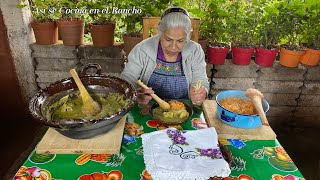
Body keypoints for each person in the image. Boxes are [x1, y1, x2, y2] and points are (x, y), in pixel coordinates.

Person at [120, 7, 209, 107]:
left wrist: (201, 93)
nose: (173, 46)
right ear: (160, 33)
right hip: (146, 108)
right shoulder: (142, 50)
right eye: (168, 39)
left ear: (187, 37)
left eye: (180, 41)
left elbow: (201, 80)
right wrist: (134, 94)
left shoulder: (195, 51)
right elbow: (126, 80)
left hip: (183, 109)